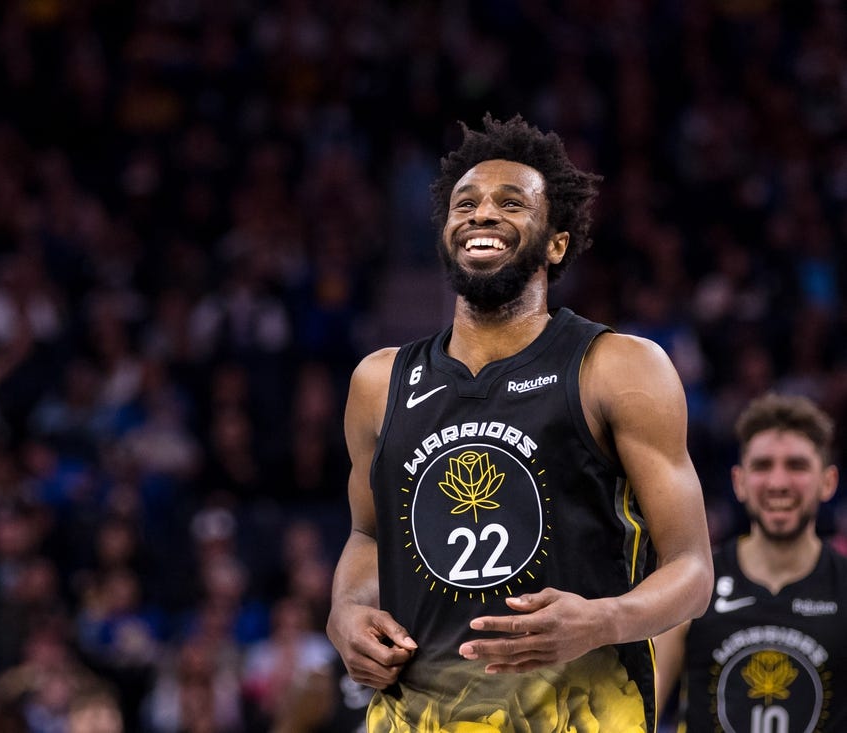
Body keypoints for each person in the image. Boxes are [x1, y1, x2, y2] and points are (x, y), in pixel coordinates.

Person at [325, 114, 714, 731]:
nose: (482, 214)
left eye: (511, 202)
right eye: (466, 203)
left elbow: (692, 569)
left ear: (556, 243)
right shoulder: (378, 382)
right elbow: (369, 537)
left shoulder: (617, 367)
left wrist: (601, 620)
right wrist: (345, 612)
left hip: (578, 713)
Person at [654, 392, 847, 732]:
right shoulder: (692, 582)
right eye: (762, 466)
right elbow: (643, 707)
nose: (777, 483)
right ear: (739, 482)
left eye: (797, 466)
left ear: (828, 482)